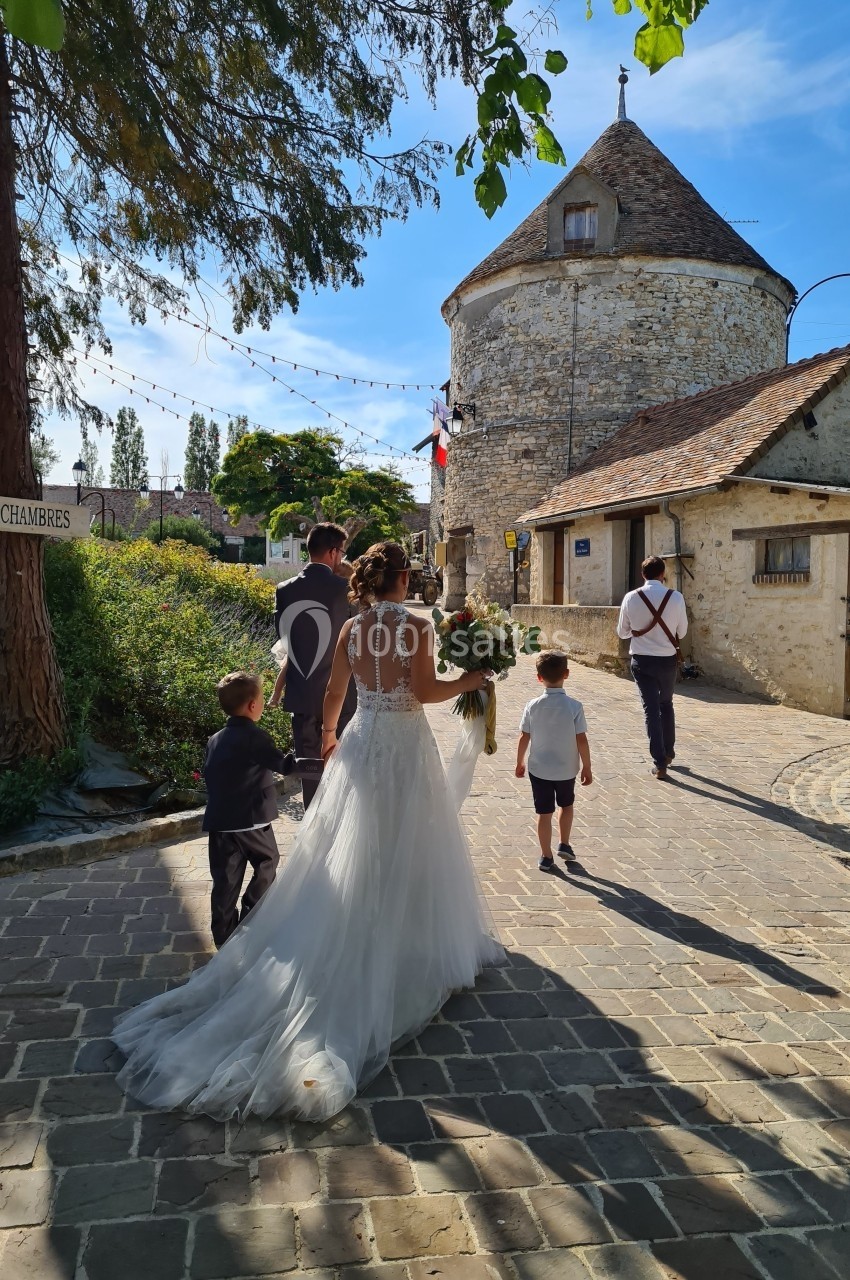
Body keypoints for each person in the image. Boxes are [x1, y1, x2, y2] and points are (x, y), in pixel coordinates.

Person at [112, 541, 503, 1124]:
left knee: (346, 846)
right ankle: (401, 943)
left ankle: (356, 922)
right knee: (408, 842)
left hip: (364, 740)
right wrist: (470, 679)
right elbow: (424, 693)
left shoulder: (350, 629)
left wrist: (327, 734)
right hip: (403, 747)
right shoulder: (417, 628)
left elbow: (335, 695)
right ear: (401, 579)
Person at [202, 671, 295, 948]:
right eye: (263, 698)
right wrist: (314, 759)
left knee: (225, 881)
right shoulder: (255, 737)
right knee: (267, 863)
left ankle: (223, 938)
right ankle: (251, 914)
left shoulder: (214, 739)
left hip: (220, 823)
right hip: (251, 821)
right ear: (253, 706)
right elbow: (284, 766)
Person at [274, 523, 357, 807]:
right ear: (333, 552)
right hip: (342, 695)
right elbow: (355, 639)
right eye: (342, 552)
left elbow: (284, 640)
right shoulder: (345, 589)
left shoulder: (283, 590)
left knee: (310, 770)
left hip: (301, 693)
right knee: (343, 766)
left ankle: (313, 829)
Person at [515, 651, 592, 873]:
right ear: (566, 674)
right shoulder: (574, 707)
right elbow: (581, 739)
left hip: (539, 768)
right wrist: (586, 766)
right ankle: (564, 843)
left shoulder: (532, 705)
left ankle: (546, 856)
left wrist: (519, 761)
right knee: (566, 806)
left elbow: (524, 736)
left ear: (539, 677)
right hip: (566, 768)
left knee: (544, 813)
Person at [617, 555, 688, 781]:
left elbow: (622, 632)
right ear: (662, 574)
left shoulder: (631, 597)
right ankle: (668, 752)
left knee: (651, 710)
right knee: (666, 704)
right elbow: (682, 632)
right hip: (667, 660)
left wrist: (638, 632)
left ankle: (659, 763)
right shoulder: (676, 597)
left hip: (642, 660)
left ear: (643, 575)